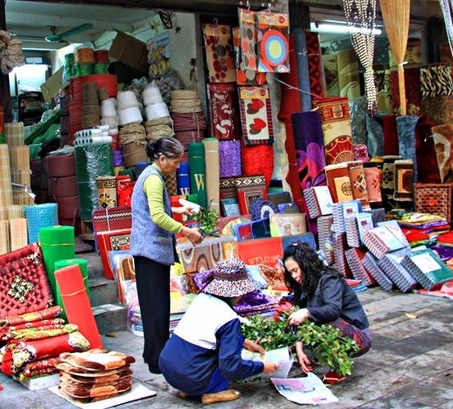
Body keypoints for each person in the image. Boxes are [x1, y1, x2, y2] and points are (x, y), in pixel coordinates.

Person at [130, 136, 204, 374]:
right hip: (150, 251)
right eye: (175, 161)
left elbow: (159, 209)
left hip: (148, 251)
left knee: (153, 307)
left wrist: (182, 209)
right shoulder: (153, 179)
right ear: (162, 159)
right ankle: (157, 362)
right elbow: (158, 217)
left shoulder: (151, 176)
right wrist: (187, 232)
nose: (177, 166)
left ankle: (152, 355)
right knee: (158, 310)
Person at [159, 259, 279, 404]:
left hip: (169, 370)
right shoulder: (229, 319)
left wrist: (244, 342)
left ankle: (188, 388)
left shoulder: (202, 299)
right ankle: (213, 391)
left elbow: (205, 332)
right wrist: (262, 367)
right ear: (238, 293)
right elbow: (231, 367)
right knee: (225, 363)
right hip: (192, 375)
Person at [282, 243, 372, 383]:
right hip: (339, 330)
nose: (294, 276)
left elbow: (333, 310)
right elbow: (299, 318)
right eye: (290, 273)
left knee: (318, 318)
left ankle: (339, 367)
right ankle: (321, 354)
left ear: (305, 265)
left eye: (295, 270)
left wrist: (306, 312)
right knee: (292, 316)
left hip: (358, 338)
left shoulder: (329, 279)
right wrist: (300, 350)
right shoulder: (305, 285)